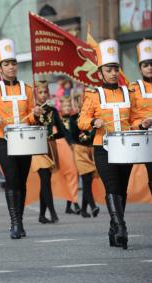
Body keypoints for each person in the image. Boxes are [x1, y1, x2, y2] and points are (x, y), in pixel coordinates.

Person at [0, 39, 42, 238]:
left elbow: (31, 117)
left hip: (24, 139)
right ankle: (15, 223)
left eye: (13, 63)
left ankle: (20, 221)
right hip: (3, 140)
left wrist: (37, 113)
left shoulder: (27, 89)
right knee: (12, 178)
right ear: (0, 68)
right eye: (6, 64)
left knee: (22, 181)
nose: (11, 67)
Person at [78, 39, 133, 249]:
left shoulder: (128, 93)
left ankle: (113, 230)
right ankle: (121, 228)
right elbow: (82, 122)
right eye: (109, 69)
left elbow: (134, 118)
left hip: (126, 148)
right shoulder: (93, 95)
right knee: (112, 186)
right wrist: (94, 122)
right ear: (100, 73)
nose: (113, 73)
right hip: (103, 148)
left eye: (115, 69)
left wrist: (142, 122)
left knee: (122, 190)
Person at [31, 81, 66, 224]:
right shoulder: (30, 110)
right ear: (35, 94)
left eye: (45, 92)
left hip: (50, 148)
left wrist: (52, 137)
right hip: (36, 148)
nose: (43, 95)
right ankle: (53, 213)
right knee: (45, 180)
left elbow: (62, 131)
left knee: (45, 181)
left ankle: (42, 215)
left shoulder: (53, 110)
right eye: (40, 92)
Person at [60, 97, 99, 218]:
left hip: (91, 150)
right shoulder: (73, 118)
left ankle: (83, 209)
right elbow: (71, 135)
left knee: (88, 180)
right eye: (81, 104)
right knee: (86, 178)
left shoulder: (95, 118)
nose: (83, 106)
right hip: (79, 150)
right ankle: (93, 206)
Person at [130, 39, 152, 195]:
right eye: (145, 65)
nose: (150, 67)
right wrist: (142, 123)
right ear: (140, 68)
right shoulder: (133, 88)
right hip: (147, 138)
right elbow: (130, 116)